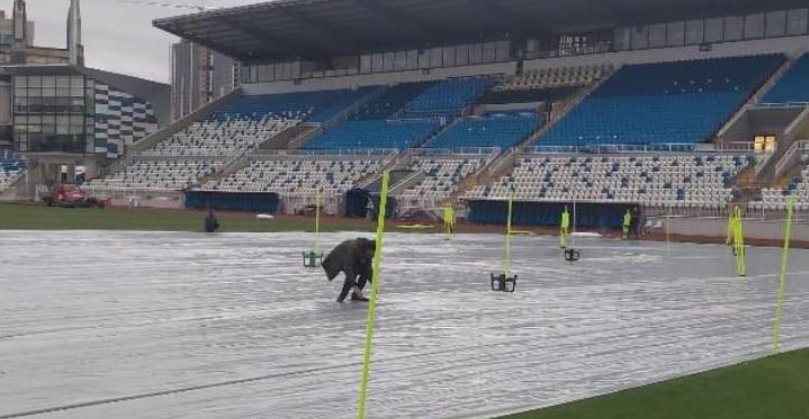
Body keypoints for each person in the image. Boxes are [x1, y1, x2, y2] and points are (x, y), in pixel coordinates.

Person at [322, 238, 376, 303]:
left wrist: (374, 287)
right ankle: (340, 299)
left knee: (365, 273)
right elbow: (348, 270)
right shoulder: (352, 249)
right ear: (368, 249)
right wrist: (355, 287)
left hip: (352, 260)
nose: (373, 256)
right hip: (339, 257)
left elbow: (369, 269)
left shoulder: (367, 252)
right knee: (352, 274)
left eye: (373, 255)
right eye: (371, 254)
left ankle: (355, 296)